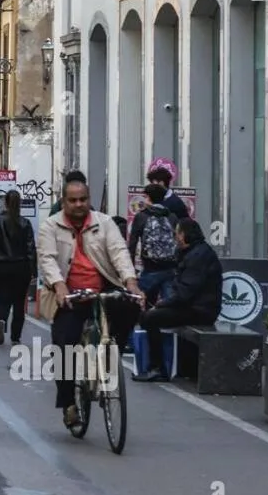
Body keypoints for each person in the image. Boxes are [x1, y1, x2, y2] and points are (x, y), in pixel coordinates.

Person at [37, 176, 143, 428]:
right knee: (64, 345)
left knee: (131, 305)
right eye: (72, 200)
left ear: (89, 200)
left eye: (83, 199)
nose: (78, 204)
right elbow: (47, 259)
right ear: (63, 201)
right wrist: (60, 286)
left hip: (103, 288)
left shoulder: (105, 223)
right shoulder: (50, 227)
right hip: (70, 293)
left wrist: (130, 282)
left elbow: (119, 252)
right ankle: (69, 404)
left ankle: (110, 352)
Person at [134, 218, 223, 382]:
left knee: (149, 318)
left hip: (201, 310)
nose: (175, 238)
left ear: (184, 235)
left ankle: (158, 368)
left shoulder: (198, 256)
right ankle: (166, 366)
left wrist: (161, 304)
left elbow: (185, 293)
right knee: (151, 315)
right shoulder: (195, 252)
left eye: (177, 234)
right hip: (196, 306)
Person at [0, 191, 36, 346]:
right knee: (19, 303)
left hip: (1, 265)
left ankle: (1, 319)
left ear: (5, 202)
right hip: (21, 267)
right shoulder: (25, 223)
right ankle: (15, 336)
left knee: (3, 299)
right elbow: (30, 249)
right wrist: (33, 271)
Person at [127, 182, 178, 305]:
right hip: (170, 269)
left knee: (139, 302)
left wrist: (130, 270)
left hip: (150, 269)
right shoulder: (172, 217)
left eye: (145, 197)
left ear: (148, 198)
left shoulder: (141, 217)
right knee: (170, 306)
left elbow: (132, 244)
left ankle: (147, 323)